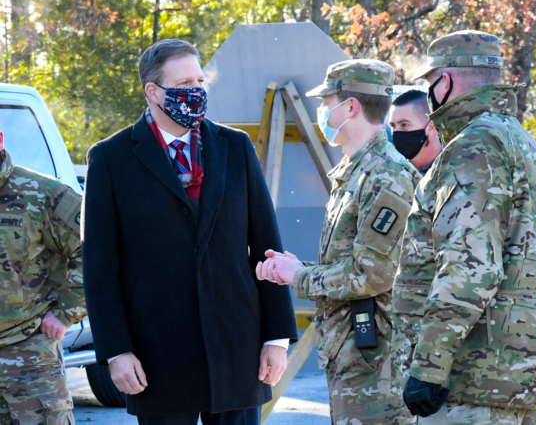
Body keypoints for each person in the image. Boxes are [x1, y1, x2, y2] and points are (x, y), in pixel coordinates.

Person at [82, 39, 298, 425]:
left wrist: (276, 339)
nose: (196, 91)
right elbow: (99, 268)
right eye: (184, 84)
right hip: (157, 358)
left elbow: (267, 247)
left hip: (237, 349)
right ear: (153, 92)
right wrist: (116, 351)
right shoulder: (110, 158)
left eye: (200, 80)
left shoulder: (235, 146)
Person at [395, 30, 536, 425]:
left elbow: (470, 266)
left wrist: (429, 366)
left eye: (431, 82)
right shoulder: (521, 141)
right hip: (517, 379)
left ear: (445, 83)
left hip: (472, 385)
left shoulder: (473, 146)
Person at [256, 59, 419, 425]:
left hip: (377, 365)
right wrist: (296, 270)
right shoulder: (356, 170)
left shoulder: (386, 176)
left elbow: (373, 275)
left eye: (327, 102)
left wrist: (299, 276)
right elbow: (355, 263)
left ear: (351, 107)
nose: (323, 111)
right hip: (353, 356)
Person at [0, 129, 85, 424]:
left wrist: (66, 313)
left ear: (0, 139)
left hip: (29, 355)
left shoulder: (44, 194)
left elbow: (97, 251)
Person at [389, 89, 442, 174]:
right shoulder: (391, 173)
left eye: (404, 125)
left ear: (431, 128)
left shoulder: (456, 168)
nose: (396, 133)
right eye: (393, 126)